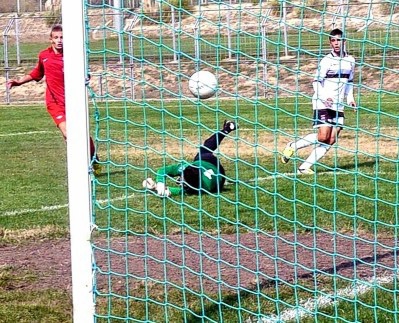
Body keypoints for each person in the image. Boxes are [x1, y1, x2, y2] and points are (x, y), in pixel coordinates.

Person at [7, 24, 101, 176]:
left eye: (62, 37)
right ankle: (81, 166)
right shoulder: (44, 55)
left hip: (74, 101)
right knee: (68, 133)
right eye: (56, 37)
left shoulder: (73, 55)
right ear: (50, 39)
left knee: (82, 134)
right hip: (54, 103)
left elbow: (86, 74)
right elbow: (36, 73)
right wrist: (19, 81)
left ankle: (93, 159)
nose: (59, 41)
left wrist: (85, 77)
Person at [280, 28, 356, 174]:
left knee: (332, 139)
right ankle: (293, 146)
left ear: (344, 41)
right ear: (330, 43)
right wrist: (324, 97)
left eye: (338, 40)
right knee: (323, 137)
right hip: (322, 102)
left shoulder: (350, 61)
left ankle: (304, 167)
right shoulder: (326, 61)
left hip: (338, 104)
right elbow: (315, 82)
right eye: (333, 40)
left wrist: (350, 98)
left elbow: (350, 81)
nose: (336, 43)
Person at [143, 120, 238, 197]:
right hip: (207, 162)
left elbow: (183, 192)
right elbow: (163, 171)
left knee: (205, 148)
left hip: (219, 176)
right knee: (205, 149)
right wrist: (160, 183)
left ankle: (227, 129)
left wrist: (156, 187)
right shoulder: (187, 168)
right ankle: (226, 129)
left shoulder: (203, 187)